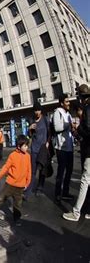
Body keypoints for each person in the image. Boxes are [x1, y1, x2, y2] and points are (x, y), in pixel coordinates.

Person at [63, 84, 90, 221]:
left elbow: (88, 131)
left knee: (85, 181)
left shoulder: (87, 108)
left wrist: (79, 129)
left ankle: (76, 212)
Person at [0, 135, 31, 226]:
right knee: (0, 198)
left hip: (20, 186)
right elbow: (6, 167)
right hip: (10, 184)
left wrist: (27, 183)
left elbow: (29, 170)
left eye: (27, 146)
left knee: (18, 204)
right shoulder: (13, 155)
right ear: (19, 146)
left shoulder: (28, 156)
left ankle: (17, 219)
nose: (27, 148)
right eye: (25, 146)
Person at [53, 93, 75, 203]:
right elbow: (56, 128)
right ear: (62, 103)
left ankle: (65, 192)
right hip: (61, 148)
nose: (68, 103)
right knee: (61, 171)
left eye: (69, 101)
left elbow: (71, 129)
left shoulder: (68, 114)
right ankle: (57, 194)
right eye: (66, 101)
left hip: (70, 147)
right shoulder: (58, 112)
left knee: (69, 171)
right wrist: (68, 125)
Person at [25, 102, 50, 199]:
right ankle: (28, 190)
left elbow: (49, 132)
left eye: (38, 110)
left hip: (43, 148)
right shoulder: (32, 120)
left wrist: (48, 142)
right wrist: (29, 129)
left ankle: (40, 187)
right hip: (34, 148)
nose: (37, 112)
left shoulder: (45, 119)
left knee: (43, 170)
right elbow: (30, 135)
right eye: (35, 110)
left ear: (41, 110)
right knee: (33, 170)